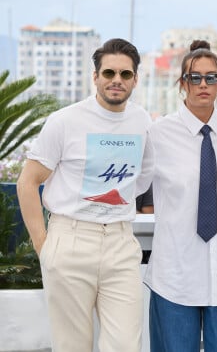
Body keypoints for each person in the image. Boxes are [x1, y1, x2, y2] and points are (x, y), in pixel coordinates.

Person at [16, 38, 154, 352]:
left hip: (120, 244)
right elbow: (28, 182)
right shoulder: (65, 121)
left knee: (125, 345)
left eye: (125, 74)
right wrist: (44, 245)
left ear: (134, 79)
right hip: (70, 242)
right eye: (109, 73)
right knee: (72, 346)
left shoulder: (142, 121)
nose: (117, 80)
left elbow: (143, 178)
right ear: (95, 77)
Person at [144, 40, 217, 352]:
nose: (203, 84)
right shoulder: (157, 134)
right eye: (195, 77)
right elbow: (131, 188)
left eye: (211, 77)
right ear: (182, 83)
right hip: (174, 275)